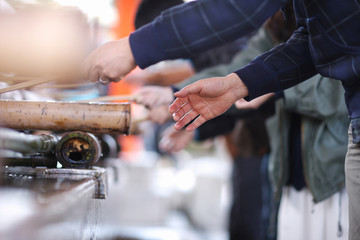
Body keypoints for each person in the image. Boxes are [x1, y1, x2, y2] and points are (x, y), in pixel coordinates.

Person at [82, 0, 360, 238]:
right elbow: (304, 48)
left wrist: (135, 47)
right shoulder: (284, 20)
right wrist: (234, 85)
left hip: (326, 163)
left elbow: (237, 8)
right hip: (292, 165)